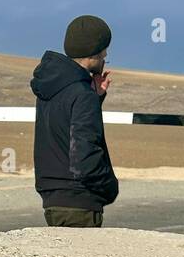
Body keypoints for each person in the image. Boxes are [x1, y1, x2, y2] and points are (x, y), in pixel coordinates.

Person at [30, 15, 118, 227]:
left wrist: (95, 97)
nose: (106, 55)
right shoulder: (81, 94)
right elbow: (84, 158)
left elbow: (63, 128)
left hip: (53, 199)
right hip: (79, 204)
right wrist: (110, 189)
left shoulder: (52, 88)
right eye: (104, 49)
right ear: (95, 51)